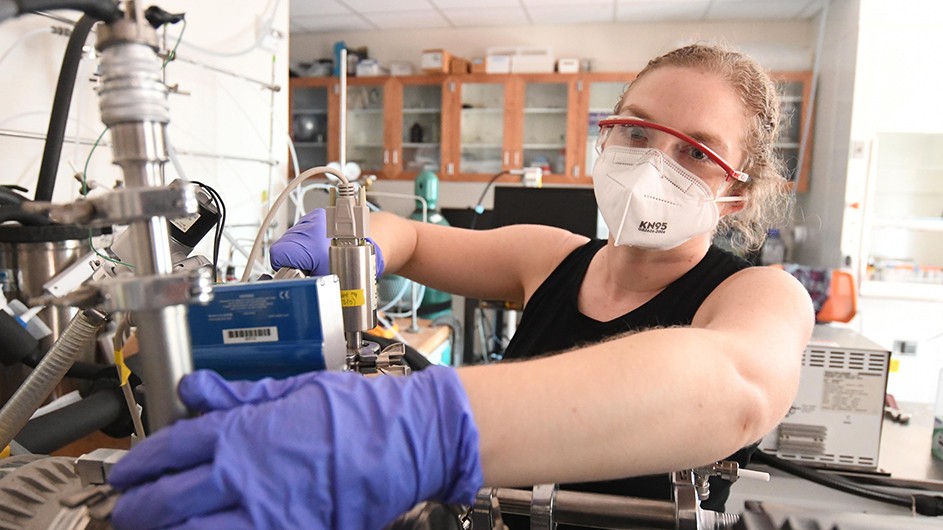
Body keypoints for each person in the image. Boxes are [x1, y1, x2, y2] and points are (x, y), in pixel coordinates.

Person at [107, 43, 814, 530]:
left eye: (695, 151)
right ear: (607, 137)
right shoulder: (552, 257)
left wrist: (413, 428)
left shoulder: (757, 295)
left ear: (738, 190)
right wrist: (352, 244)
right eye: (635, 132)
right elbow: (410, 236)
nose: (654, 162)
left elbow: (734, 386)